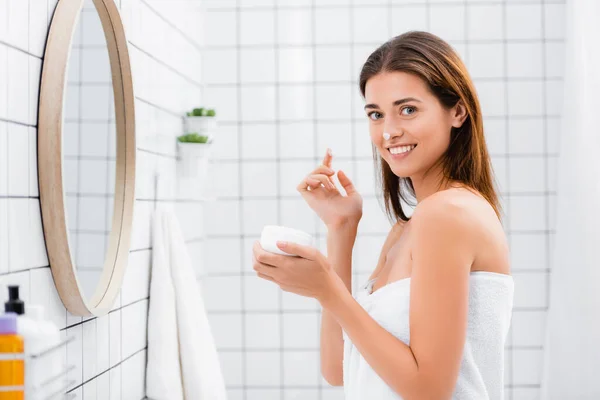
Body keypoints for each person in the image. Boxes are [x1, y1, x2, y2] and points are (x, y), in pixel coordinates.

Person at [252, 31, 514, 399]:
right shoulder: (408, 229)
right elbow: (337, 367)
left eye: (408, 109)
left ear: (457, 111)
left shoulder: (449, 214)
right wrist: (341, 229)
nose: (389, 132)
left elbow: (429, 391)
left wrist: (328, 290)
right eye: (376, 114)